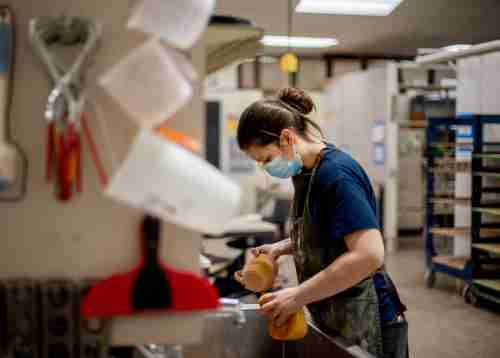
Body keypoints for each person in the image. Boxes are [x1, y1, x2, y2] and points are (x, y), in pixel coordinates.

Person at [234, 87, 409, 358]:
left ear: (287, 137)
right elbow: (329, 231)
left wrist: (297, 296)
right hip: (337, 309)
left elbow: (369, 254)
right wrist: (281, 247)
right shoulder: (306, 172)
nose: (267, 168)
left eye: (266, 159)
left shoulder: (336, 175)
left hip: (369, 317)